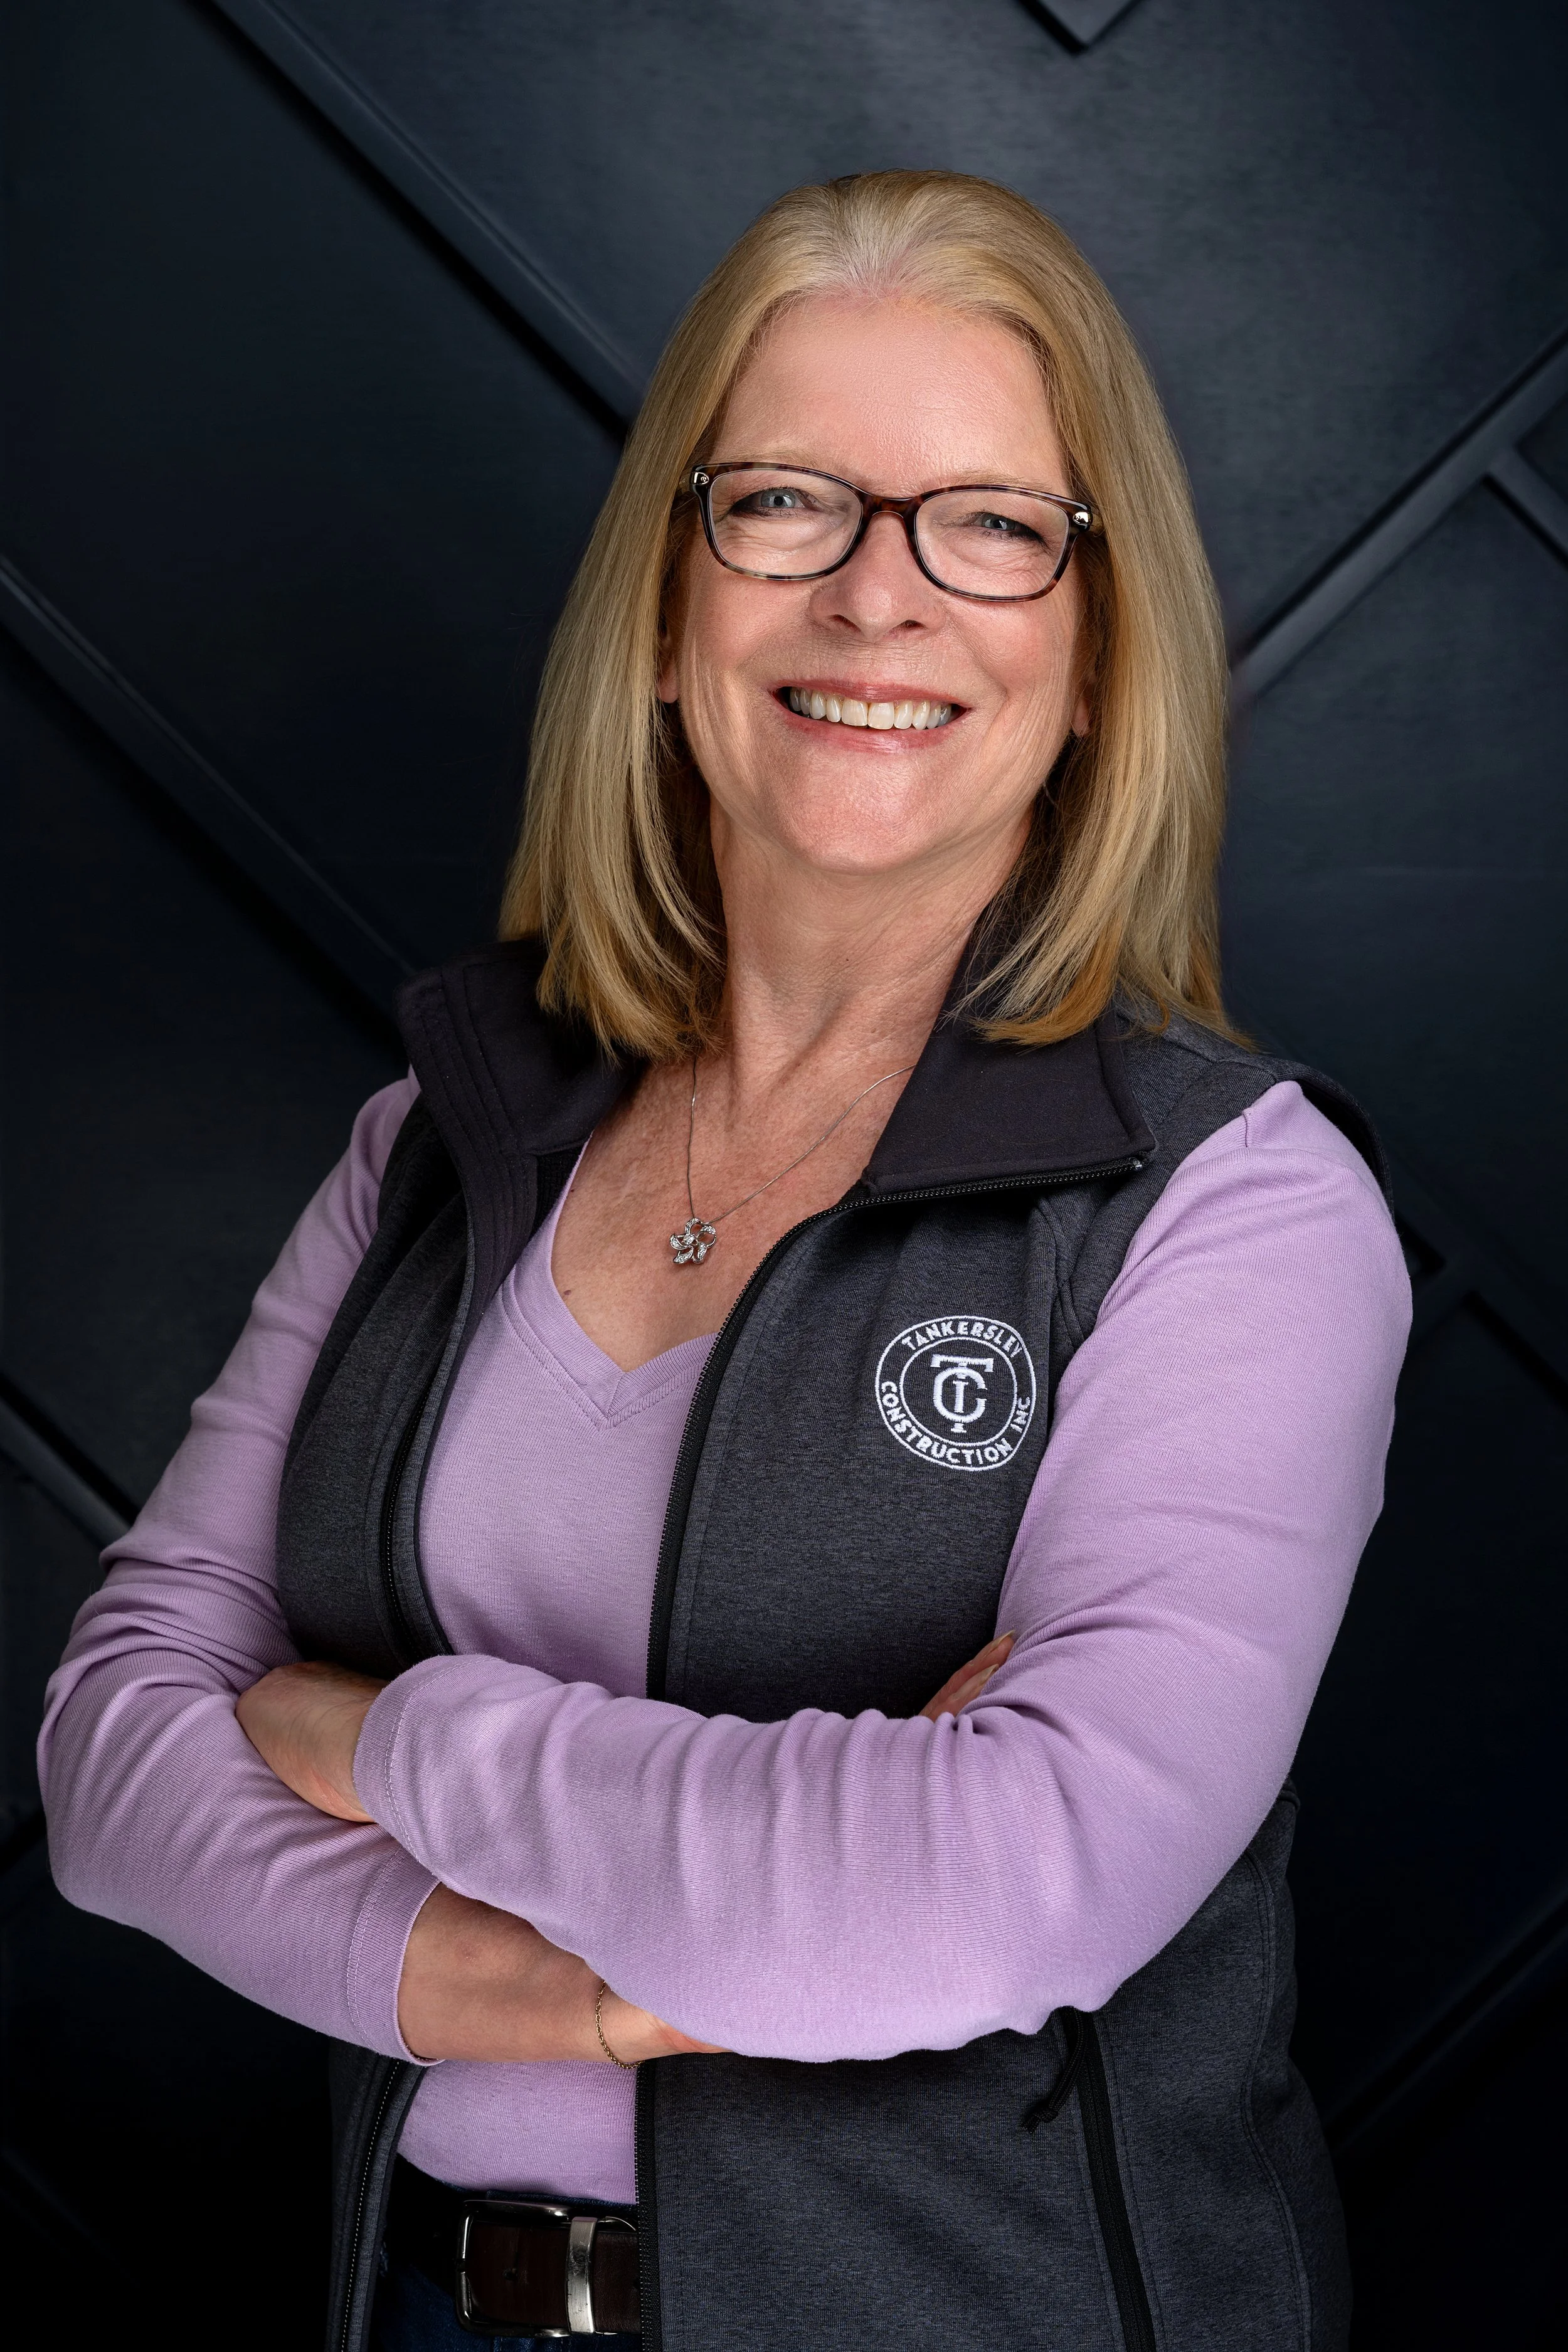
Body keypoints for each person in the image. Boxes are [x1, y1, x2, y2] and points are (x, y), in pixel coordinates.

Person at [41, 171, 1409, 2352]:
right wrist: (579, 1992)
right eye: (784, 502)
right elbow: (115, 1762)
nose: (880, 600)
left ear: (1089, 653)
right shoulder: (440, 1137)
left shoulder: (1229, 1208)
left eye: (986, 522)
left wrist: (374, 1734)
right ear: (670, 616)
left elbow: (988, 1891)